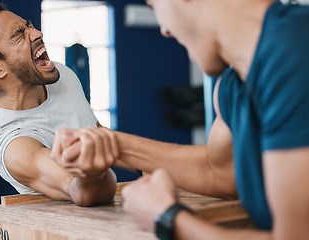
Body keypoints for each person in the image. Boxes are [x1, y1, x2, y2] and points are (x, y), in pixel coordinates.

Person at [50, 0, 309, 238]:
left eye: (154, 4)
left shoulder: (294, 49)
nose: (165, 30)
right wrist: (110, 145)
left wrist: (168, 218)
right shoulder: (233, 86)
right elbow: (219, 171)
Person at [0, 2, 117, 207]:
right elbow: (82, 191)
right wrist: (95, 162)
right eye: (19, 34)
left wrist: (147, 163)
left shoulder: (60, 75)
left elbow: (95, 129)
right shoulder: (13, 145)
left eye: (29, 25)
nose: (37, 33)